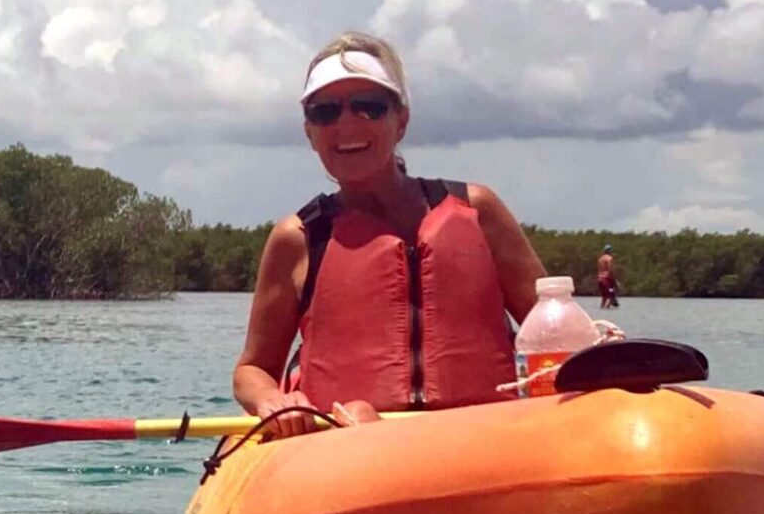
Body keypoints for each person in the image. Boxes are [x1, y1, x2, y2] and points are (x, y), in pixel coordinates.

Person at [232, 32, 549, 436]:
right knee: (361, 414)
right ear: (309, 132)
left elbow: (555, 333)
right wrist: (271, 400)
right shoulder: (297, 238)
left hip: (479, 443)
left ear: (401, 120)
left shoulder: (477, 211)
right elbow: (252, 369)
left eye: (369, 107)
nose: (347, 123)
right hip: (342, 449)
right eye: (325, 111)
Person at [596, 244, 620, 310]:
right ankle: (607, 311)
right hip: (607, 280)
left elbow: (599, 269)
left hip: (600, 279)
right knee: (611, 295)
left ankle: (602, 309)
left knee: (604, 297)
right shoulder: (609, 259)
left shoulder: (600, 259)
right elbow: (610, 270)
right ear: (610, 251)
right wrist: (615, 281)